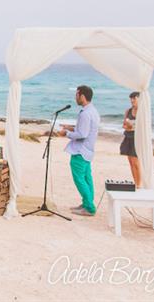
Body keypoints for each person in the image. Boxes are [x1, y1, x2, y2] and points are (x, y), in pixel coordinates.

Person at [57, 85, 100, 217]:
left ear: (82, 96)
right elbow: (84, 128)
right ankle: (87, 203)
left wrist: (66, 133)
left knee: (79, 179)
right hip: (88, 150)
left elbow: (82, 133)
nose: (75, 97)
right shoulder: (92, 111)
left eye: (76, 95)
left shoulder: (86, 113)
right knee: (87, 178)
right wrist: (71, 127)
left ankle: (90, 208)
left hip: (80, 151)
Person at [120, 92, 141, 187]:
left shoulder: (142, 111)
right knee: (130, 161)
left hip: (136, 138)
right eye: (131, 99)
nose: (132, 101)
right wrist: (128, 127)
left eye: (134, 98)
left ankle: (139, 184)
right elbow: (123, 125)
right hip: (128, 136)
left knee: (136, 162)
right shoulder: (128, 111)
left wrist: (132, 126)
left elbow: (144, 127)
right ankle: (135, 183)